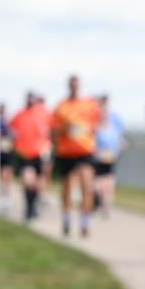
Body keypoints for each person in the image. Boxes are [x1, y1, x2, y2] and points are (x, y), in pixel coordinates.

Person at [51, 75, 102, 238]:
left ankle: (84, 222)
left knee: (86, 185)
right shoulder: (61, 106)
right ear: (68, 86)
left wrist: (90, 129)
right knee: (67, 188)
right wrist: (65, 128)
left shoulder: (89, 104)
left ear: (79, 86)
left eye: (76, 84)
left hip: (85, 150)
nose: (74, 87)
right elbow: (52, 131)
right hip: (65, 151)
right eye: (71, 84)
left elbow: (98, 123)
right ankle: (66, 219)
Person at [9, 92, 51, 222]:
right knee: (28, 181)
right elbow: (11, 128)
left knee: (38, 183)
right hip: (25, 153)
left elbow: (52, 129)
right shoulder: (20, 114)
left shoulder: (44, 114)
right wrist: (14, 137)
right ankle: (28, 208)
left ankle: (33, 206)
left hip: (40, 153)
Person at [93, 94, 127, 217]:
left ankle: (106, 206)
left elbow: (120, 138)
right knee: (97, 183)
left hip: (111, 156)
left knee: (109, 182)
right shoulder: (95, 122)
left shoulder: (114, 121)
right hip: (97, 157)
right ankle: (97, 200)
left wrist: (120, 144)